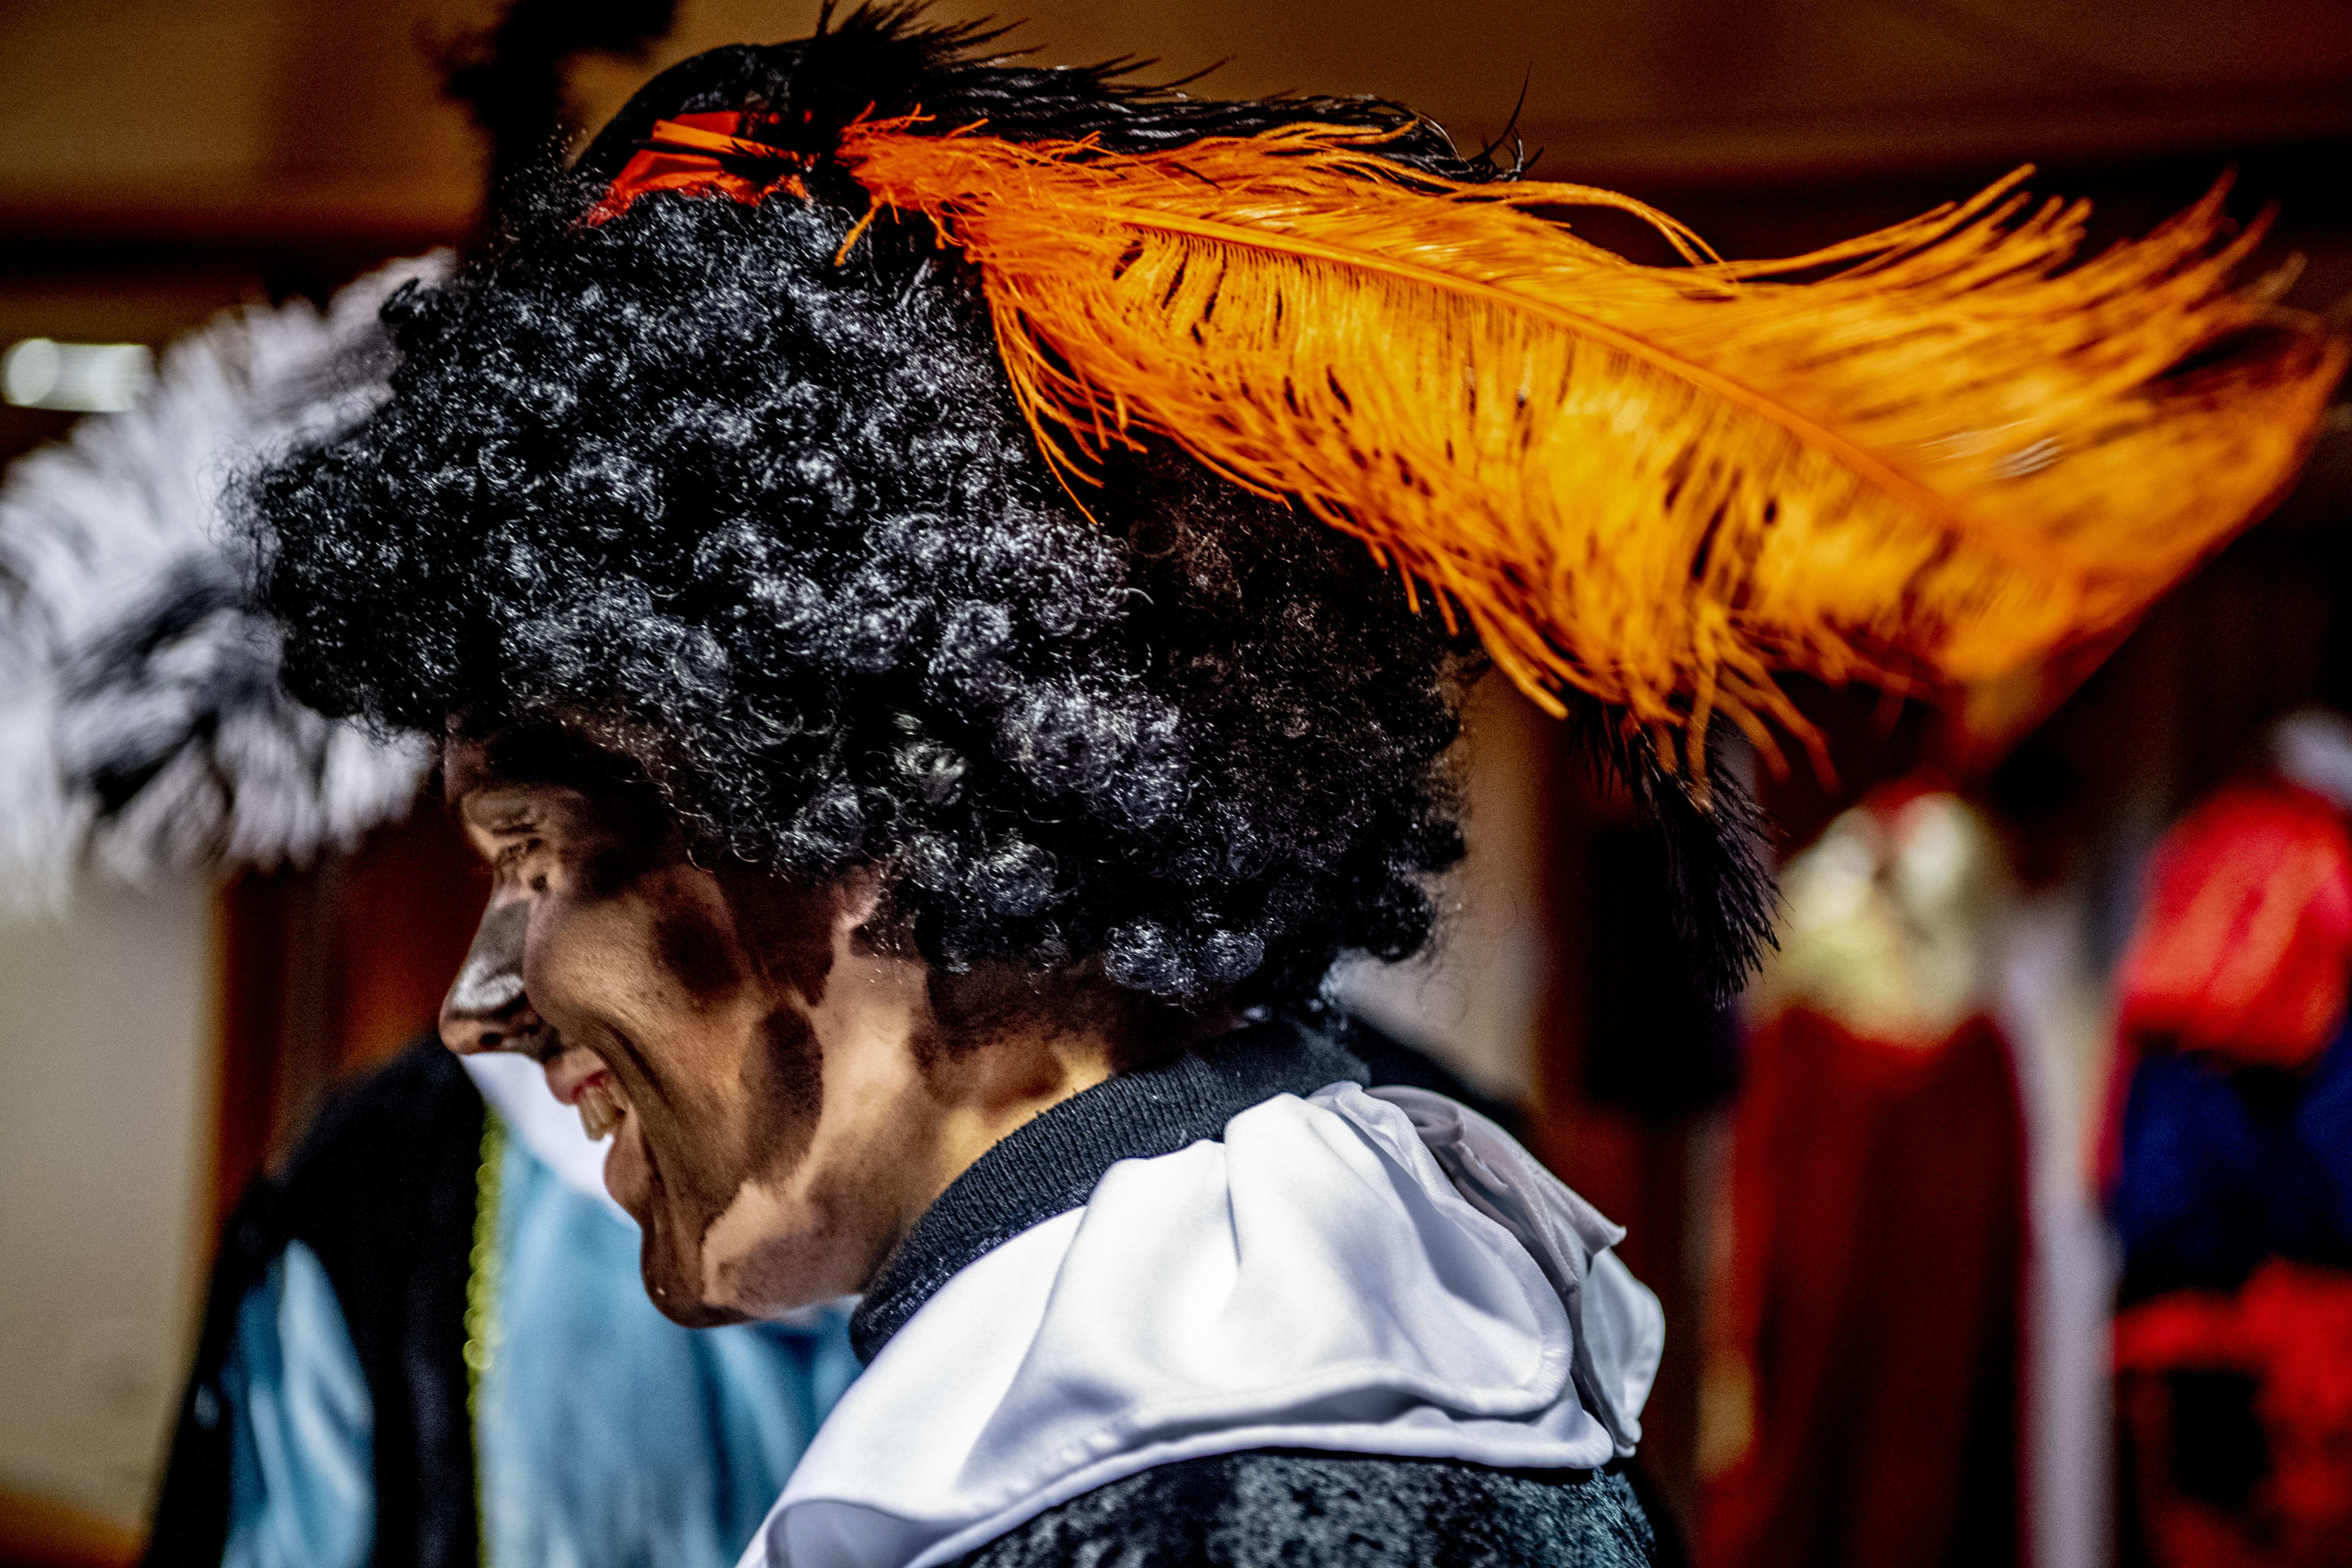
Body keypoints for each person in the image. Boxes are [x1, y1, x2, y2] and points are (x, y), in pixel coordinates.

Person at [230, 9, 2338, 1565]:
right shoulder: (1272, 1382)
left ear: (852, 818)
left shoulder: (1199, 1495)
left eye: (530, 859)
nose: (477, 997)